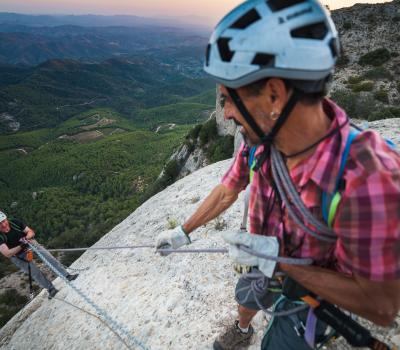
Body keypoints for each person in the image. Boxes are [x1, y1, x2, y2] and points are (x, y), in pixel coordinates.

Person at [156, 0, 400, 349]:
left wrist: (284, 268)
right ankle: (242, 330)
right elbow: (230, 187)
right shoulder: (262, 137)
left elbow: (380, 305)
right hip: (263, 260)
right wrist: (183, 232)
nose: (225, 114)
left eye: (228, 99)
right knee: (248, 295)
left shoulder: (367, 178)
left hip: (308, 296)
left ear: (273, 93)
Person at [0, 211, 78, 299]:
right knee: (35, 272)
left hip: (30, 243)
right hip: (18, 255)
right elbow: (7, 253)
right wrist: (21, 245)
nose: (3, 225)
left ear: (6, 219)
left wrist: (26, 238)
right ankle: (50, 289)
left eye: (3, 221)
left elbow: (31, 232)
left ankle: (66, 275)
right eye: (0, 224)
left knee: (48, 257)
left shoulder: (14, 223)